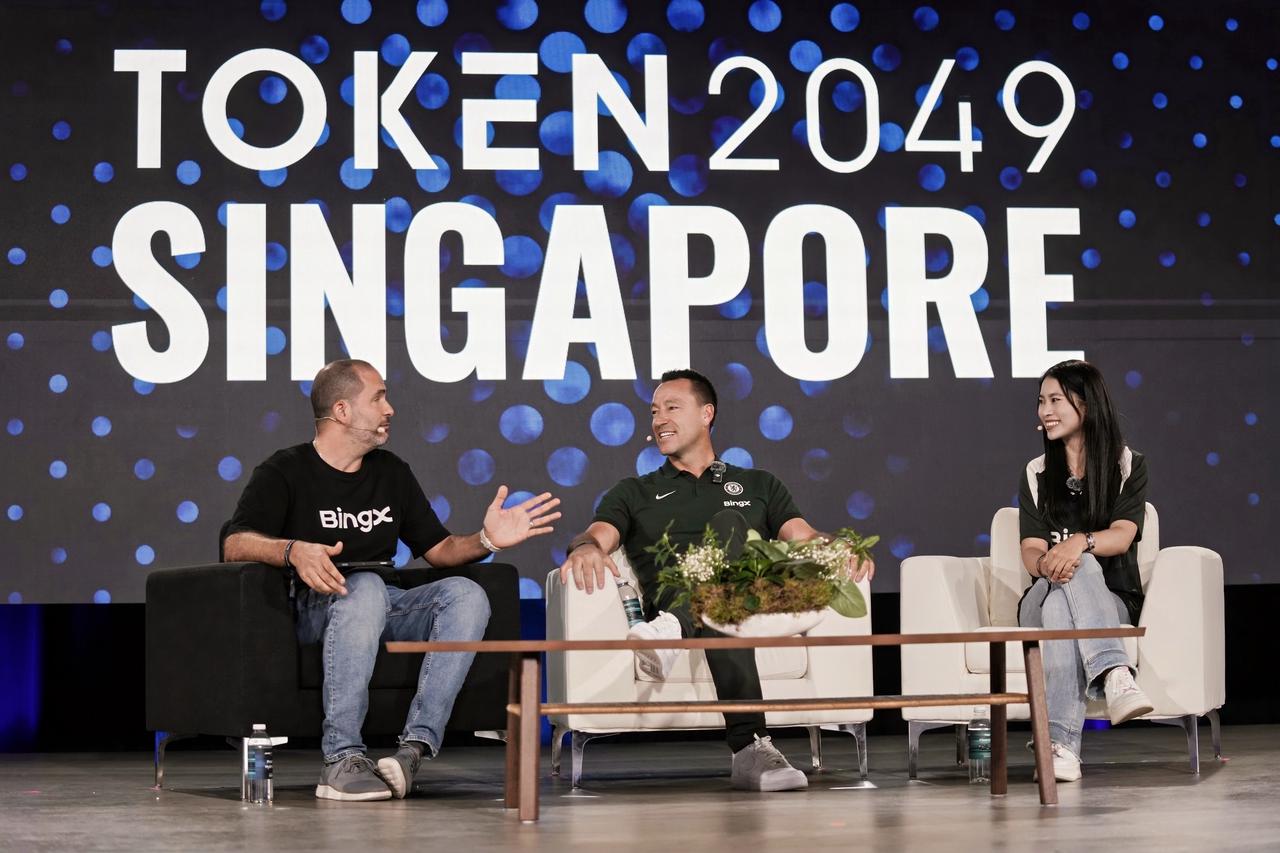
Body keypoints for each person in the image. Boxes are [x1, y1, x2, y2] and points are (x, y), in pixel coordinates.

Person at [223, 359, 560, 801]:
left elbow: (440, 550)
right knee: (363, 587)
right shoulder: (285, 470)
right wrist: (293, 550)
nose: (390, 409)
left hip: (384, 603)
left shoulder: (391, 471)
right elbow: (235, 543)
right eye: (378, 398)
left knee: (466, 594)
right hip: (314, 607)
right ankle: (340, 759)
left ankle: (413, 751)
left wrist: (486, 539)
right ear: (342, 410)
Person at [557, 368, 874, 792]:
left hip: (754, 600)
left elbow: (805, 537)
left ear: (706, 414)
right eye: (654, 411)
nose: (659, 420)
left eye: (672, 408)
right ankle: (751, 749)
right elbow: (596, 536)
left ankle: (673, 630)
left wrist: (841, 546)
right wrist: (584, 549)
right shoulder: (634, 491)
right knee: (724, 604)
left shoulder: (758, 484)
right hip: (680, 594)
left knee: (730, 529)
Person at [1017, 359, 1154, 782]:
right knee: (1061, 591)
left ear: (1087, 404)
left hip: (1112, 601)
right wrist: (1048, 564)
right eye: (1041, 401)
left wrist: (1079, 543)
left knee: (1069, 595)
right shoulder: (1037, 472)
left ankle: (1059, 748)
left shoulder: (1128, 465)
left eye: (1055, 400)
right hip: (1041, 594)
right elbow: (1031, 549)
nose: (1045, 411)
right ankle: (1115, 674)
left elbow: (1123, 535)